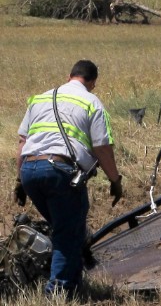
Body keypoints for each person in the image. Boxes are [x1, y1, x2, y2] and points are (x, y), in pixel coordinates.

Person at [14, 59, 123, 296]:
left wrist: (19, 182)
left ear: (69, 76)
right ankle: (58, 293)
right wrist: (115, 181)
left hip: (30, 171)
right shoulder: (92, 102)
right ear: (92, 82)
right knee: (67, 232)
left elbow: (23, 143)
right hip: (59, 171)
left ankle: (74, 287)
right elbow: (102, 147)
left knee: (66, 228)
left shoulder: (41, 98)